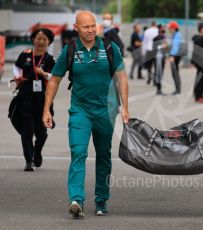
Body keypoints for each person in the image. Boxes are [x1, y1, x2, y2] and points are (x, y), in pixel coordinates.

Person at [42, 11, 130, 219]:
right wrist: (46, 108)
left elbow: (122, 77)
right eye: (85, 27)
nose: (90, 30)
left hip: (105, 111)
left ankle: (101, 200)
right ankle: (76, 200)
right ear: (76, 27)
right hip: (80, 111)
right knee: (78, 152)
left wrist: (125, 106)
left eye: (92, 26)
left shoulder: (109, 48)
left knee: (103, 155)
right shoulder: (70, 50)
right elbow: (54, 79)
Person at [13, 28, 55, 171]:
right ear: (33, 40)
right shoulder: (25, 55)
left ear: (49, 41)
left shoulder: (50, 59)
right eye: (38, 38)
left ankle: (37, 151)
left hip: (43, 99)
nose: (41, 41)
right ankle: (29, 160)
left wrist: (43, 73)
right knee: (27, 129)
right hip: (25, 97)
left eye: (44, 39)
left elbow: (54, 78)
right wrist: (18, 77)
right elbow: (16, 69)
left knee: (41, 133)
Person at [168, 21, 182, 95]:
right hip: (175, 55)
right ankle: (177, 89)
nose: (169, 30)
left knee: (175, 72)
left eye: (170, 28)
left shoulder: (177, 35)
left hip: (175, 56)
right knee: (174, 72)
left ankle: (178, 89)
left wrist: (172, 56)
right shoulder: (175, 35)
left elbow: (175, 46)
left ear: (174, 28)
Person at [153, 24, 168, 95]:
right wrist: (163, 46)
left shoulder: (162, 37)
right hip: (158, 57)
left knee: (161, 73)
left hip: (162, 57)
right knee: (159, 72)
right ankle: (158, 89)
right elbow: (155, 47)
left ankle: (159, 88)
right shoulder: (157, 38)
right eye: (162, 29)